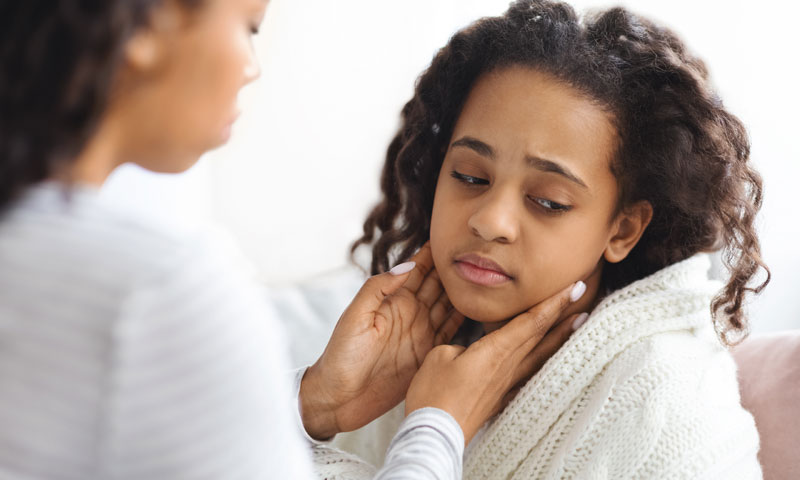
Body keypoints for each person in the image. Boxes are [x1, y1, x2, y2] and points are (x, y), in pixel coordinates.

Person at [0, 1, 588, 479]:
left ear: (625, 227)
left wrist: (315, 403)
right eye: (247, 26)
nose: (253, 66)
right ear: (148, 24)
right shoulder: (159, 289)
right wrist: (439, 427)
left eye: (549, 202)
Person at [341, 0, 770, 477]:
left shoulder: (678, 407)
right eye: (469, 176)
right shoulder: (396, 351)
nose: (490, 222)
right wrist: (321, 407)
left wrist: (432, 427)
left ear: (622, 229)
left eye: (548, 201)